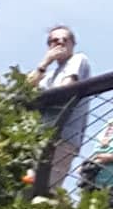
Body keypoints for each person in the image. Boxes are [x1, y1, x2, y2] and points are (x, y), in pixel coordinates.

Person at [29, 24, 92, 195]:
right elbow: (24, 90)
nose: (61, 43)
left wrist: (42, 102)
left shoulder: (78, 60)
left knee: (47, 190)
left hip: (63, 138)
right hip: (42, 137)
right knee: (28, 186)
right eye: (55, 40)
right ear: (49, 46)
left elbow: (65, 91)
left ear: (73, 44)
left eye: (66, 40)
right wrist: (44, 63)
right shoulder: (49, 76)